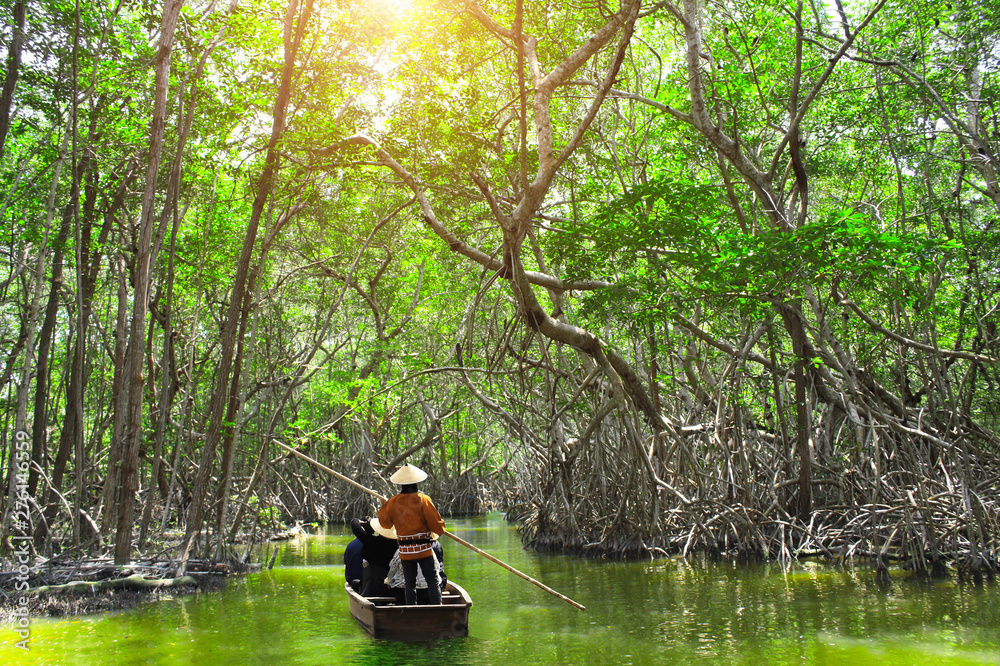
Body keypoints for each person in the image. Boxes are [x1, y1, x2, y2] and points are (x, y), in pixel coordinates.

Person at [377, 463, 446, 605]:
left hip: (405, 551)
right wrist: (439, 529)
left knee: (409, 583)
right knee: (432, 581)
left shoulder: (393, 502)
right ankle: (438, 609)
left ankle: (411, 610)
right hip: (423, 550)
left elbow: (385, 524)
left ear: (401, 485)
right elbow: (438, 527)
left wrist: (385, 505)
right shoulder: (423, 499)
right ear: (416, 482)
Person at [385, 538, 447, 604]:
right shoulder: (430, 551)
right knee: (434, 583)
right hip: (428, 594)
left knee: (390, 584)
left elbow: (391, 572)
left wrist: (388, 582)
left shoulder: (401, 550)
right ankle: (436, 607)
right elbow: (438, 570)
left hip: (403, 593)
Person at [350, 516, 398, 597]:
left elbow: (356, 529)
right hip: (390, 580)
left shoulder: (373, 542)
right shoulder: (396, 544)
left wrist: (356, 520)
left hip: (373, 580)